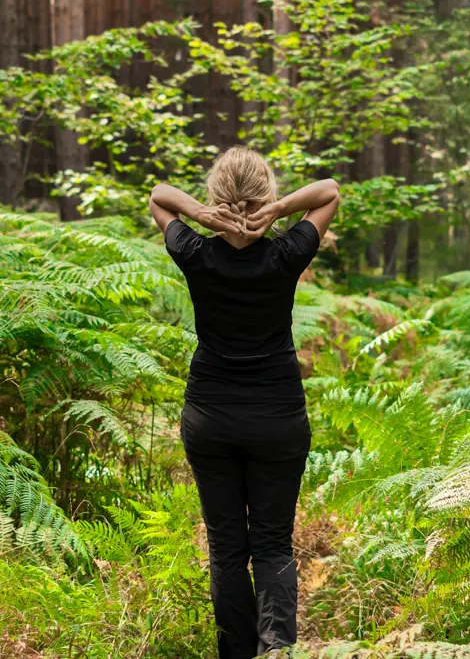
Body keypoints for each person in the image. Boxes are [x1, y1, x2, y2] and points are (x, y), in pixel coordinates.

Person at [149, 146, 340, 659]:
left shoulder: (196, 252)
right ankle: (276, 651)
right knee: (273, 544)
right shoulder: (286, 254)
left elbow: (159, 197)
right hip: (278, 419)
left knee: (227, 548)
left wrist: (199, 215)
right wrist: (277, 213)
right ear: (267, 196)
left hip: (210, 418)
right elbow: (329, 193)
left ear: (215, 199)